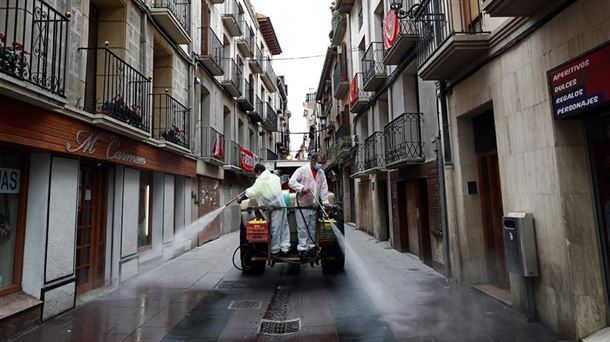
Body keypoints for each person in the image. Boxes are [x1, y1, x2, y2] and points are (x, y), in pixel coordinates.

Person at [238, 164, 290, 256]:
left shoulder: (261, 180)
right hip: (282, 205)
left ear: (258, 171)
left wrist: (241, 199)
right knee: (284, 227)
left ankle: (275, 251)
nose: (256, 175)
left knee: (275, 230)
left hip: (274, 209)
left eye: (256, 173)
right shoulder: (275, 177)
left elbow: (252, 192)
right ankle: (285, 248)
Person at [288, 154, 330, 258]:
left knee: (312, 228)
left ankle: (311, 247)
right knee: (302, 228)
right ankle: (302, 249)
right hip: (302, 206)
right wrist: (301, 188)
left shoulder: (321, 173)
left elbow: (324, 188)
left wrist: (325, 202)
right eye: (319, 163)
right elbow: (291, 182)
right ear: (312, 161)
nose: (320, 165)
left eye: (321, 163)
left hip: (314, 206)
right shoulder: (302, 170)